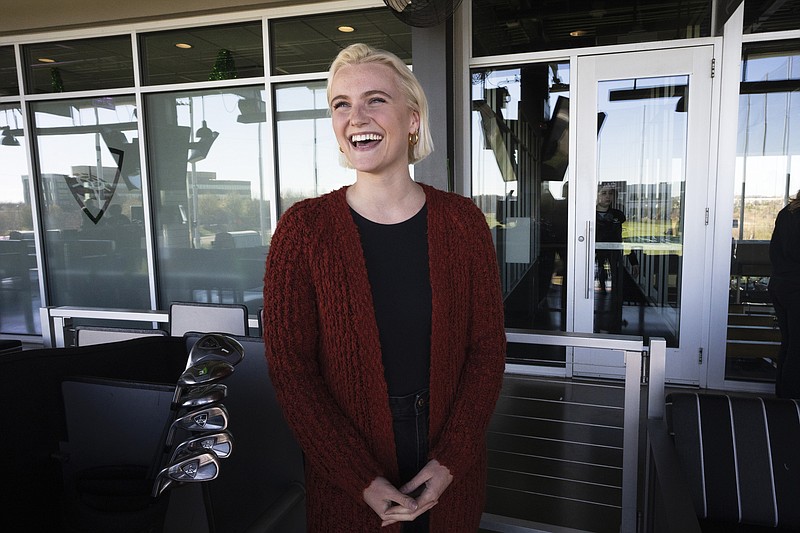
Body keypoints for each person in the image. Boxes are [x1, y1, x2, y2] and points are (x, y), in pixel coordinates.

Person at [262, 43, 506, 532]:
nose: (357, 117)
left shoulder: (463, 223)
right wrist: (359, 478)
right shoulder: (304, 230)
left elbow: (486, 352)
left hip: (449, 462)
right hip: (347, 470)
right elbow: (292, 371)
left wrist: (450, 462)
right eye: (341, 104)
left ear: (412, 120)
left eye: (375, 100)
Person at [768, 190, 800, 399]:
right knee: (796, 348)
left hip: (780, 285)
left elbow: (774, 251)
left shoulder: (786, 213)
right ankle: (791, 403)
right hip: (796, 287)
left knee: (789, 343)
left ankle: (782, 400)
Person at [595, 183, 638, 333]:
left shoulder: (618, 215)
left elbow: (625, 237)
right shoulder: (587, 214)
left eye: (610, 193)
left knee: (616, 289)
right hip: (591, 256)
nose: (607, 196)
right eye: (604, 193)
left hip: (614, 256)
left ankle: (613, 322)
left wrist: (633, 261)